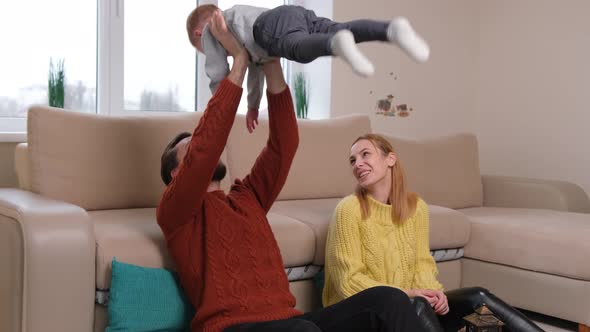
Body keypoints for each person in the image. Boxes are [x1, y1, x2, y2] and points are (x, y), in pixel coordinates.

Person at [158, 15, 426, 332]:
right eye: (189, 148)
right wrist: (239, 62)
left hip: (290, 322)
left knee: (389, 300)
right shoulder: (176, 212)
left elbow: (285, 143)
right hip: (232, 326)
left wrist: (270, 62)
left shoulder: (248, 197)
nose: (201, 147)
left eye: (196, 143)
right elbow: (206, 148)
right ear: (176, 174)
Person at [322, 133, 544, 332]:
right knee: (418, 305)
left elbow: (422, 263)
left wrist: (435, 295)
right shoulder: (348, 209)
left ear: (390, 159)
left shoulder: (416, 207)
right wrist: (411, 294)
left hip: (411, 305)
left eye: (365, 154)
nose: (357, 164)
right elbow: (348, 283)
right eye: (352, 160)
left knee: (477, 298)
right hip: (367, 314)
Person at [186, 4, 430, 133]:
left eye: (204, 49)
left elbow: (217, 75)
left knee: (295, 48)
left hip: (268, 27)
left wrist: (218, 109)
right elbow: (256, 72)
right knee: (342, 27)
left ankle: (333, 45)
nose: (222, 54)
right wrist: (252, 107)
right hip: (295, 15)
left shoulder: (211, 30)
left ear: (200, 32)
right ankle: (389, 30)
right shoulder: (242, 29)